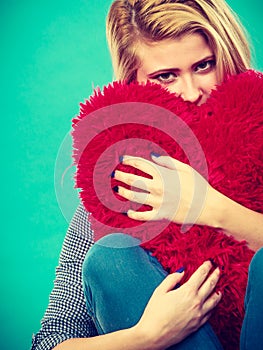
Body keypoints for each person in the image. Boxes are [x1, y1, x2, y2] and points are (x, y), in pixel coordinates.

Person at [31, 1, 263, 349]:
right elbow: (50, 341)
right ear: (134, 84)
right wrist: (148, 336)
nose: (191, 91)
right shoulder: (115, 188)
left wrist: (211, 208)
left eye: (203, 66)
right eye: (165, 76)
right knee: (112, 257)